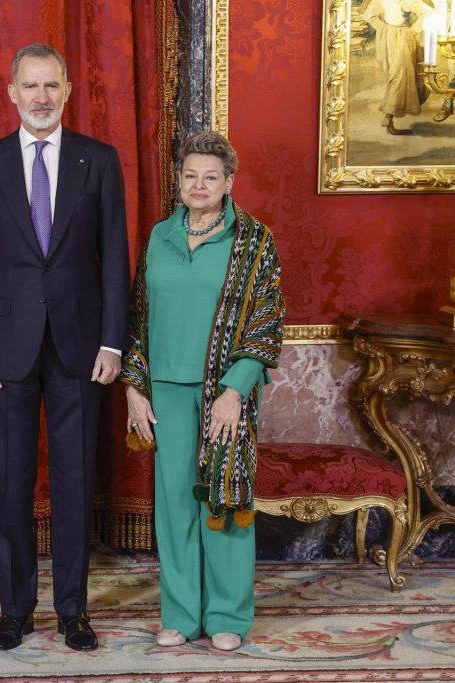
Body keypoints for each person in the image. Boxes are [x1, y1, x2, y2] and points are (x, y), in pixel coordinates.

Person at [0, 43, 129, 652]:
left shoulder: (100, 161)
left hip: (82, 348)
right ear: (11, 93)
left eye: (51, 86)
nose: (41, 97)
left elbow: (115, 262)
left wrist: (114, 342)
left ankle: (73, 611)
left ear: (69, 90)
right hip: (4, 352)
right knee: (11, 483)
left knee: (76, 482)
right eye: (30, 86)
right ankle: (16, 609)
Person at [121, 131, 285, 652]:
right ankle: (181, 615)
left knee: (225, 499)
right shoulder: (159, 235)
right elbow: (137, 318)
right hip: (165, 390)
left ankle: (228, 618)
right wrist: (134, 387)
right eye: (190, 175)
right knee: (172, 506)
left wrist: (236, 389)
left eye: (210, 176)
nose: (199, 184)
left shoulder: (254, 240)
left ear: (229, 182)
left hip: (224, 394)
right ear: (180, 179)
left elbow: (266, 322)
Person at [363, 0, 433, 134]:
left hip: (404, 37)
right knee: (393, 75)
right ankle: (389, 117)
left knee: (399, 74)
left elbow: (428, 12)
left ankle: (388, 117)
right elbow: (369, 15)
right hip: (388, 38)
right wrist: (383, 28)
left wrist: (413, 29)